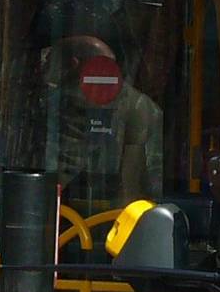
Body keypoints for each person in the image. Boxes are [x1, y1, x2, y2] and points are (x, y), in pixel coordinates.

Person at [41, 34, 163, 210]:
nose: (43, 70)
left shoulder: (138, 110)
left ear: (72, 66)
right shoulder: (51, 106)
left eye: (49, 62)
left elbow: (142, 190)